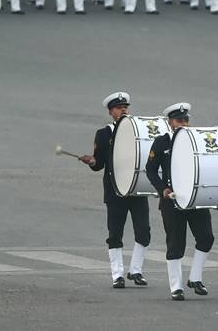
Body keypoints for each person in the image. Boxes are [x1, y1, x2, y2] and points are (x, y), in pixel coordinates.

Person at [145, 102, 218, 300]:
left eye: (186, 120)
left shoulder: (195, 140)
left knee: (206, 238)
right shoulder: (161, 142)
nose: (184, 124)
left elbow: (210, 164)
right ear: (170, 122)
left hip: (196, 198)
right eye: (179, 120)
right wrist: (162, 189)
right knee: (176, 244)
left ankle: (195, 278)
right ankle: (176, 287)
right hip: (172, 201)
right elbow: (150, 169)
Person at [78, 92, 150, 289]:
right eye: (119, 107)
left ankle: (136, 270)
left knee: (144, 232)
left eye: (125, 106)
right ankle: (117, 275)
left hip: (137, 189)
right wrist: (92, 161)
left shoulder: (138, 130)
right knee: (115, 234)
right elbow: (98, 163)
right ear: (111, 112)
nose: (123, 110)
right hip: (115, 191)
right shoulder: (104, 134)